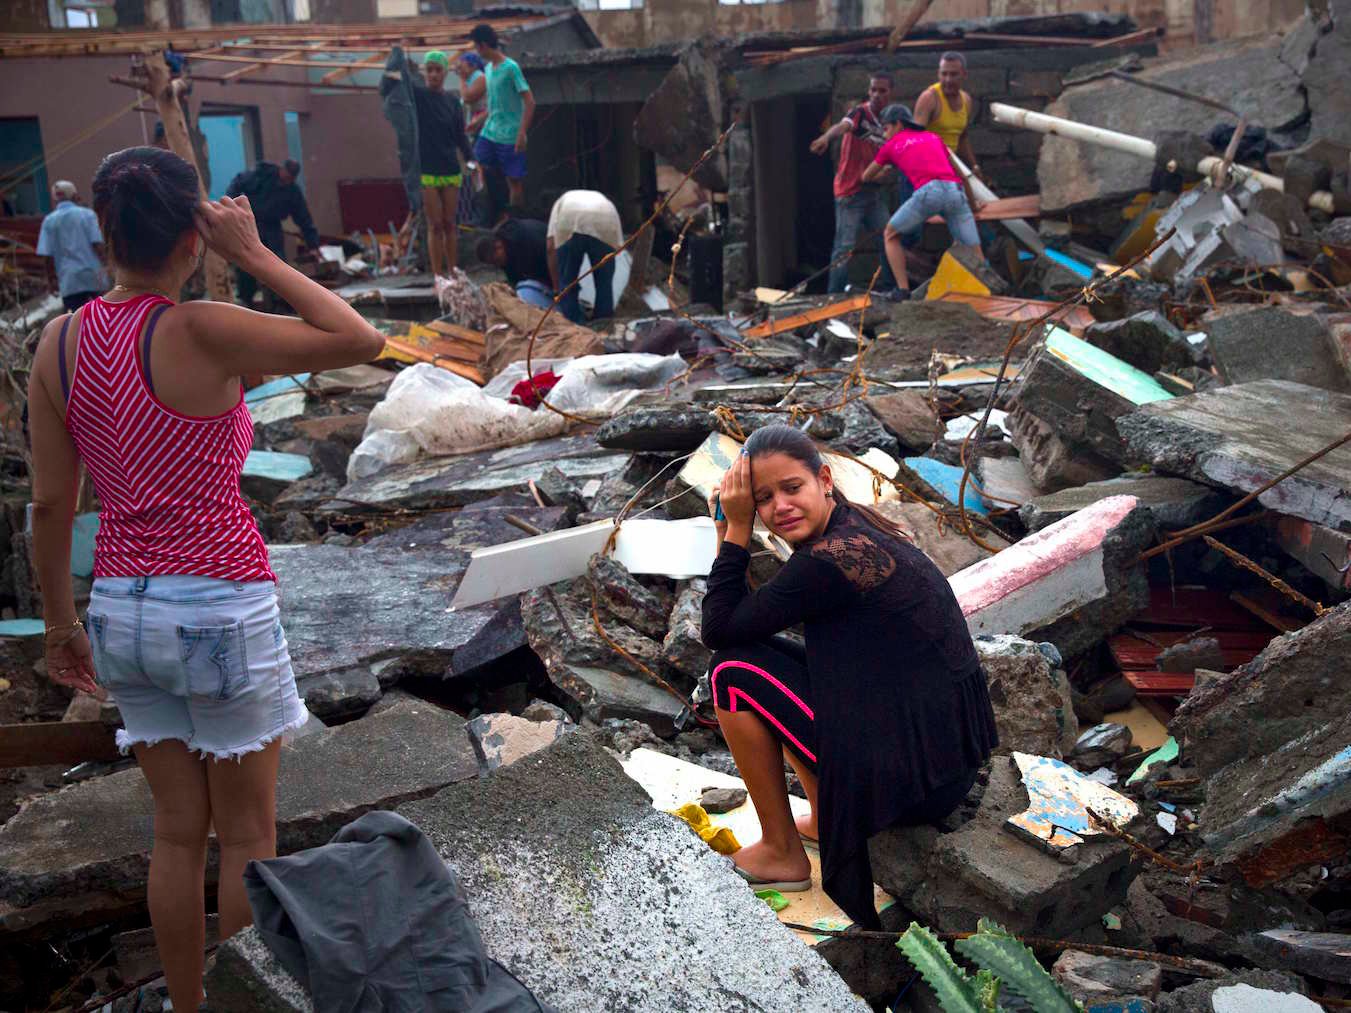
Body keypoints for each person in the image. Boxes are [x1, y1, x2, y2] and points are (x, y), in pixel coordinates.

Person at [26, 146, 384, 1012]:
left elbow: (50, 503)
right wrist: (254, 253)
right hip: (217, 601)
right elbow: (360, 339)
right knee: (248, 832)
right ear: (196, 232)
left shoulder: (59, 342)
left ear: (103, 232)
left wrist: (59, 625)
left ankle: (188, 1005)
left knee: (177, 833)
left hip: (120, 608)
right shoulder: (200, 327)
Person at [700, 424, 998, 930]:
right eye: (763, 499)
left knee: (731, 672)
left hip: (912, 784)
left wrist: (735, 532)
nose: (780, 507)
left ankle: (781, 853)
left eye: (792, 488)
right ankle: (824, 816)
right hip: (941, 767)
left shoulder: (828, 561)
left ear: (824, 480)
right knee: (767, 663)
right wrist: (728, 527)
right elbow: (743, 627)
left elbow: (718, 631)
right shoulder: (857, 528)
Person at [861, 103, 984, 301]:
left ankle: (902, 291)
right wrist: (974, 205)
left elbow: (866, 176)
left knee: (890, 234)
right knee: (973, 248)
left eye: (886, 128)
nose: (884, 134)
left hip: (929, 193)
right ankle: (988, 289)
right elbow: (962, 175)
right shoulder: (934, 138)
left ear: (898, 124)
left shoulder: (890, 146)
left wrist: (886, 170)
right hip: (955, 192)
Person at [389, 45, 475, 277]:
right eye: (430, 70)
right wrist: (401, 63)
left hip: (450, 169)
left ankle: (453, 272)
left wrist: (471, 160)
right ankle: (438, 275)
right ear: (424, 72)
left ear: (445, 72)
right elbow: (401, 84)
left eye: (438, 70)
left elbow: (460, 135)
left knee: (449, 224)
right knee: (434, 224)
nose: (434, 74)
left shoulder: (452, 102)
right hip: (426, 170)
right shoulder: (418, 96)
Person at [809, 73, 898, 294]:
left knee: (888, 237)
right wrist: (825, 138)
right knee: (845, 247)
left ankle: (890, 288)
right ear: (868, 91)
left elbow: (892, 160)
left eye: (882, 91)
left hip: (873, 194)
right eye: (873, 90)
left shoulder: (891, 124)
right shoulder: (860, 113)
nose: (877, 95)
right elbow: (842, 126)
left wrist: (883, 173)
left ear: (891, 93)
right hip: (850, 192)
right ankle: (834, 295)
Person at [225, 158, 319, 310]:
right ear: (282, 170)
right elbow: (237, 183)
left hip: (272, 228)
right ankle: (246, 299)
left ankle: (280, 301)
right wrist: (232, 207)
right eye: (285, 177)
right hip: (252, 223)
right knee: (246, 261)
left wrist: (313, 245)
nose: (286, 181)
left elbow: (304, 218)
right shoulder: (261, 175)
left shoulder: (292, 191)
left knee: (277, 263)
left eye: (290, 179)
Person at [469, 24, 535, 211]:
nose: (477, 51)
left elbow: (530, 102)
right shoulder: (488, 69)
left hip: (510, 135)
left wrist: (521, 133)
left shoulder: (511, 68)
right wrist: (479, 120)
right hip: (490, 132)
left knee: (514, 182)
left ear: (483, 45)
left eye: (476, 47)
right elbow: (494, 104)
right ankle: (487, 210)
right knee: (474, 164)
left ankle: (514, 219)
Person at [547, 189, 623, 324]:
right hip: (606, 217)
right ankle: (603, 325)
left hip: (569, 219)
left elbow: (550, 248)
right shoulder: (606, 202)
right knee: (604, 285)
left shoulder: (560, 204)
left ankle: (574, 325)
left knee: (568, 284)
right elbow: (617, 247)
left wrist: (557, 288)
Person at [37, 180, 107, 311]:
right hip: (93, 277)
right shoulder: (87, 215)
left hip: (69, 282)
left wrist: (50, 281)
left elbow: (47, 256)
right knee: (103, 316)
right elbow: (98, 244)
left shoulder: (48, 221)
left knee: (76, 320)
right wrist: (107, 266)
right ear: (75, 196)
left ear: (55, 199)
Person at [913, 51, 980, 178]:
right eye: (944, 74)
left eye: (954, 74)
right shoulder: (930, 98)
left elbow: (962, 137)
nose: (948, 80)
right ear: (938, 74)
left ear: (964, 75)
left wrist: (974, 166)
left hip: (949, 168)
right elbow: (915, 141)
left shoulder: (966, 100)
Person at [475, 216, 552, 308]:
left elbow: (550, 259)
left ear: (499, 245)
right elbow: (517, 281)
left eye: (497, 261)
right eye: (494, 264)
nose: (499, 265)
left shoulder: (526, 240)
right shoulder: (507, 254)